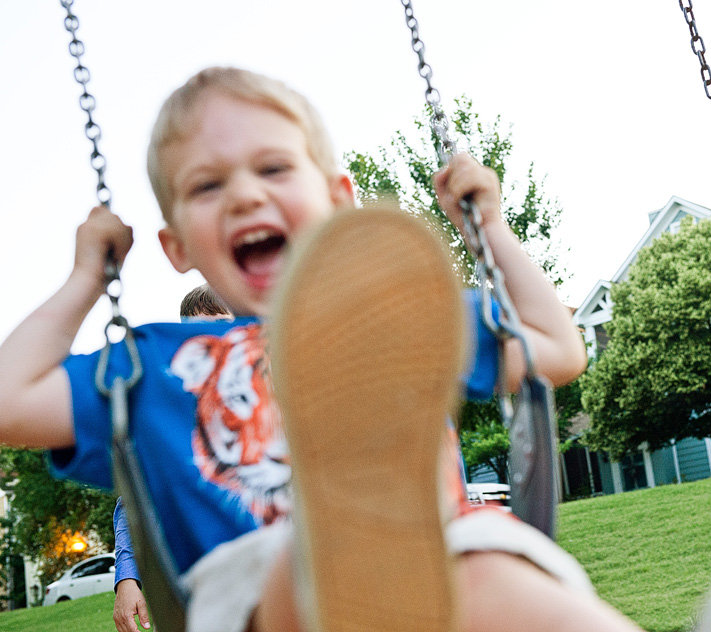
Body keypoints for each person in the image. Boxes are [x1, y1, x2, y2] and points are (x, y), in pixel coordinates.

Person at [0, 66, 641, 632]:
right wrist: (87, 279)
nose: (247, 194)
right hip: (262, 583)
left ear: (339, 199)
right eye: (207, 187)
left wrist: (490, 231)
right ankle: (353, 544)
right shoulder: (155, 366)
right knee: (298, 567)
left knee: (496, 575)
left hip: (441, 545)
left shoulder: (396, 322)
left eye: (274, 168)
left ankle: (384, 545)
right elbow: (11, 400)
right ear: (177, 249)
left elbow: (558, 348)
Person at [112, 283, 231, 632]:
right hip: (200, 584)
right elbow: (136, 497)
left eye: (220, 324)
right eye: (196, 332)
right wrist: (127, 578)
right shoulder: (167, 413)